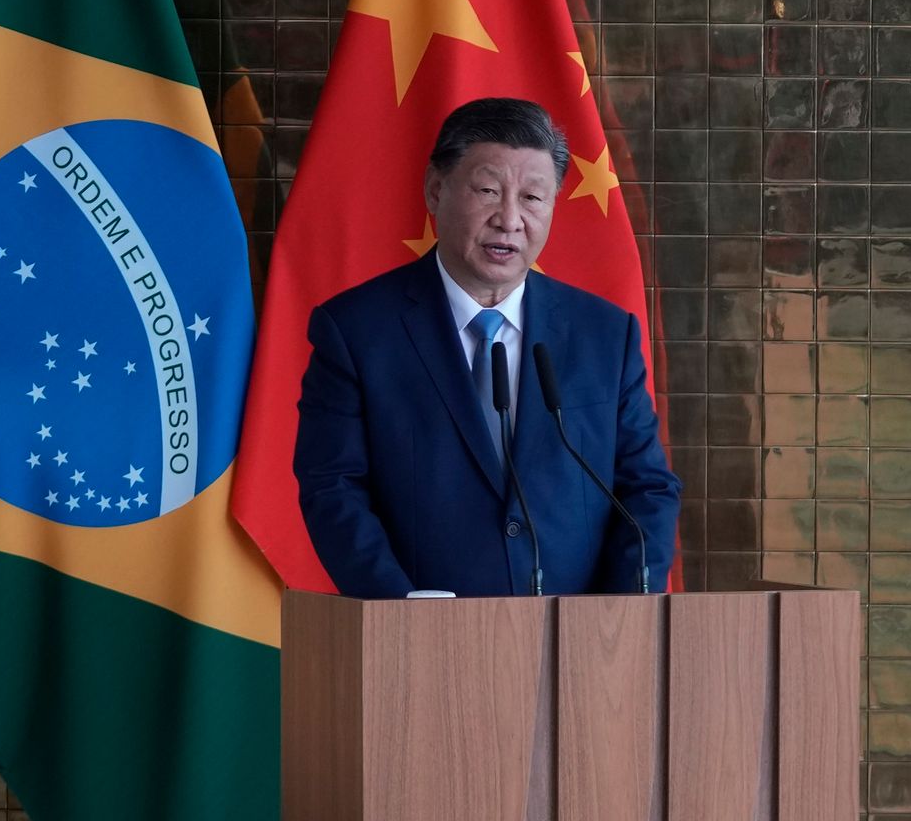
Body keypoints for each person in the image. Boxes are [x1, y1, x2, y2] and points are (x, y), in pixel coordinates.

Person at [292, 96, 681, 597]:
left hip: (579, 648)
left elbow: (646, 488)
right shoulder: (357, 331)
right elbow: (333, 487)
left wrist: (620, 617)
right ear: (436, 191)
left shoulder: (603, 334)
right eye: (488, 191)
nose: (510, 219)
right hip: (417, 643)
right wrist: (400, 610)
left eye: (533, 199)